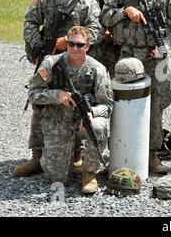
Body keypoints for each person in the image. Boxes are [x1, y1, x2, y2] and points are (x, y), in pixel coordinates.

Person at [102, 0, 171, 174]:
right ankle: (119, 153)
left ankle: (150, 156)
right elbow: (105, 15)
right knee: (121, 104)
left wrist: (165, 47)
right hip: (128, 56)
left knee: (156, 106)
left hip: (155, 59)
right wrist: (125, 11)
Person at [16, 0, 104, 177]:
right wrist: (37, 48)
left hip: (75, 62)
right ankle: (37, 156)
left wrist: (68, 41)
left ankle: (76, 155)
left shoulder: (89, 2)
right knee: (39, 103)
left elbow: (97, 31)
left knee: (75, 105)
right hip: (49, 61)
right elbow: (30, 22)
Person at [28, 26, 113, 194]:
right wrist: (56, 95)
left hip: (84, 120)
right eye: (71, 43)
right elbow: (33, 94)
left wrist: (92, 114)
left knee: (98, 126)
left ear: (88, 46)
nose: (75, 48)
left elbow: (108, 104)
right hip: (58, 120)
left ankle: (89, 172)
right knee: (58, 178)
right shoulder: (51, 64)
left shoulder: (98, 69)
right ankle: (53, 155)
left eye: (80, 45)